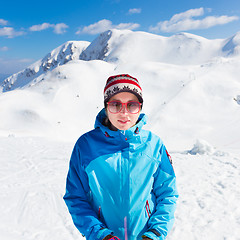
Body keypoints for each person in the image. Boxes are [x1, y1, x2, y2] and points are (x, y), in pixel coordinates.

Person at [63, 74, 178, 240]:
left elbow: (168, 194)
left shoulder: (154, 144)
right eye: (116, 105)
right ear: (106, 106)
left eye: (132, 105)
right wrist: (100, 235)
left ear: (140, 108)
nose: (124, 113)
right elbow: (75, 197)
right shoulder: (86, 146)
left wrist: (156, 232)